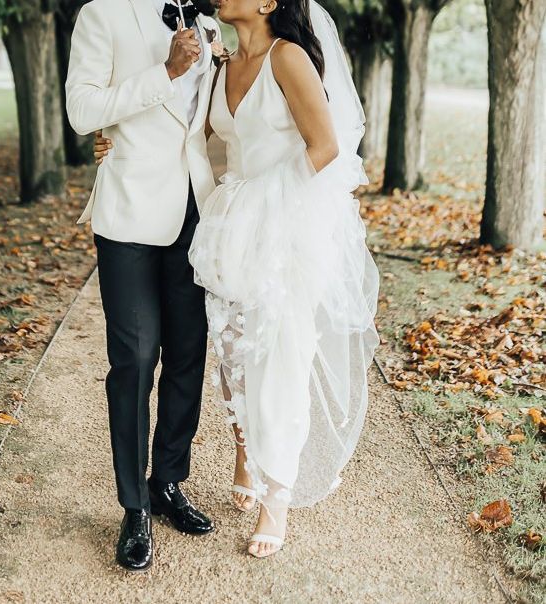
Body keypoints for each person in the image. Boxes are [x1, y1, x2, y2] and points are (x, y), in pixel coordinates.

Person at [94, 0, 379, 560]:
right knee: (232, 350)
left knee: (281, 352)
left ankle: (279, 494)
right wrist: (110, 139)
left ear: (268, 3)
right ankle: (246, 451)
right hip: (229, 224)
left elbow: (326, 148)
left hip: (284, 222)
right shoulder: (221, 64)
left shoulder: (290, 57)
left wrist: (263, 204)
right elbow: (191, 136)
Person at [65, 0, 221, 572]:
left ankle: (168, 483)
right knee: (133, 359)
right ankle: (134, 507)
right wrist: (166, 75)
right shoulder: (100, 14)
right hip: (129, 213)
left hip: (195, 212)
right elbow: (81, 110)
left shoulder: (208, 20)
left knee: (188, 354)